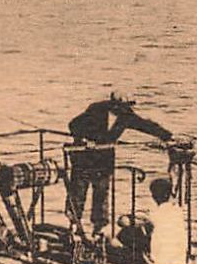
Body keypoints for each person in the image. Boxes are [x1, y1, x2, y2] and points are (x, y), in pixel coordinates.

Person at [64, 95, 173, 238]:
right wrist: (84, 139)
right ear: (114, 104)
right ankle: (73, 225)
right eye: (124, 105)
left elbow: (145, 125)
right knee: (78, 191)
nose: (127, 109)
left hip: (104, 160)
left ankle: (99, 228)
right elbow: (74, 124)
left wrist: (167, 136)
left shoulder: (126, 115)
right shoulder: (96, 109)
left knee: (102, 194)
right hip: (84, 157)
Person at [119, 177, 189, 264]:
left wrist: (127, 218)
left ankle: (136, 262)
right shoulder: (178, 211)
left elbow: (124, 222)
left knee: (128, 232)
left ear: (153, 196)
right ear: (169, 194)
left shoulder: (155, 214)